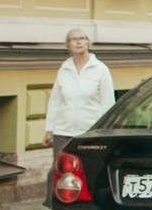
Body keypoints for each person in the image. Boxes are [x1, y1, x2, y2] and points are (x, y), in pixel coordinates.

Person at [47, 28, 115, 180]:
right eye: (73, 39)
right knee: (58, 171)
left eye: (82, 38)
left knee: (87, 170)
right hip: (63, 132)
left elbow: (108, 103)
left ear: (88, 43)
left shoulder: (100, 69)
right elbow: (55, 101)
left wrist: (104, 131)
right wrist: (49, 128)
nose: (78, 42)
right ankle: (55, 203)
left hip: (89, 132)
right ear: (68, 46)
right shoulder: (64, 69)